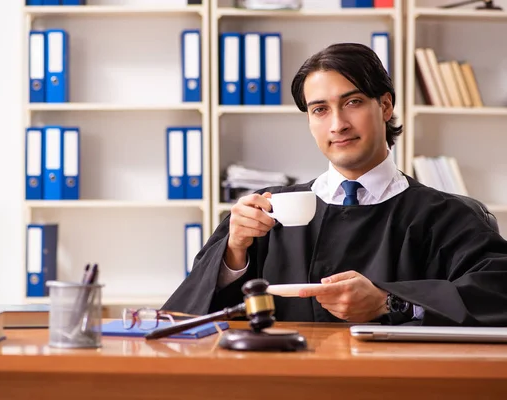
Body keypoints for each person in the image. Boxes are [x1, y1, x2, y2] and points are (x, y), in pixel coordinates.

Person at [162, 42, 507, 327]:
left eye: (352, 103)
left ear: (385, 106)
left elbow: (498, 291)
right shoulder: (267, 212)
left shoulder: (448, 217)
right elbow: (186, 316)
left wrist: (390, 303)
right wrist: (234, 253)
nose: (337, 124)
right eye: (320, 110)